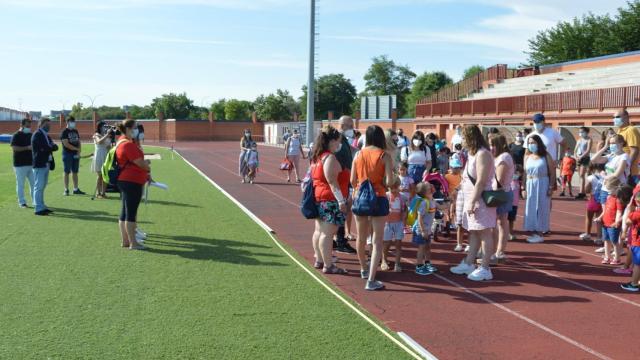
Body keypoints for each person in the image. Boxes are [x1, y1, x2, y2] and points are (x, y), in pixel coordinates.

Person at [450, 125, 497, 281]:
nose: (462, 140)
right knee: (474, 231)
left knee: (484, 232)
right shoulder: (472, 154)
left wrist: (472, 201)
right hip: (472, 197)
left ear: (471, 137)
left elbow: (482, 181)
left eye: (464, 137)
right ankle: (469, 263)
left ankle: (485, 267)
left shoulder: (483, 154)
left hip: (480, 199)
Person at [351, 125, 394, 291]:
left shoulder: (358, 154)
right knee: (377, 240)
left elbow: (352, 180)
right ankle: (371, 279)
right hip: (379, 197)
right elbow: (390, 182)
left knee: (361, 238)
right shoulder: (384, 155)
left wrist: (361, 186)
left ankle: (363, 269)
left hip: (361, 197)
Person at [310, 126, 349, 275]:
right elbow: (332, 181)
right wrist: (341, 201)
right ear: (332, 141)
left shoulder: (317, 156)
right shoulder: (329, 158)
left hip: (320, 197)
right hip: (330, 199)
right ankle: (328, 264)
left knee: (319, 231)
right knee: (327, 233)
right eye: (338, 141)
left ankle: (320, 260)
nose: (339, 144)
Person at [115, 119, 151, 250]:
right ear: (129, 129)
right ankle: (133, 243)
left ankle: (126, 241)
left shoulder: (122, 141)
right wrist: (147, 167)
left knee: (125, 212)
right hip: (131, 181)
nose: (137, 130)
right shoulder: (128, 145)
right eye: (135, 128)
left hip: (126, 180)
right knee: (130, 213)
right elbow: (139, 163)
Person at [522, 135, 555, 243]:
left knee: (541, 207)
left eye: (533, 143)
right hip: (530, 183)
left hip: (542, 182)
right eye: (529, 143)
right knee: (531, 207)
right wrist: (523, 187)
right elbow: (524, 173)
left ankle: (540, 232)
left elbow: (552, 172)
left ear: (538, 143)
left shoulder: (546, 156)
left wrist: (551, 186)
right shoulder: (527, 156)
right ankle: (534, 232)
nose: (531, 145)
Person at [333, 115, 358, 255]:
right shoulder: (337, 140)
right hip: (339, 180)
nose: (352, 129)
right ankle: (339, 240)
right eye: (350, 126)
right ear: (342, 126)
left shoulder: (344, 140)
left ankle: (339, 240)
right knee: (339, 211)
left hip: (344, 180)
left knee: (342, 211)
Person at [489, 134, 515, 261]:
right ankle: (495, 250)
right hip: (499, 192)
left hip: (501, 193)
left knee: (500, 222)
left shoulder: (504, 157)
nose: (490, 148)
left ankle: (499, 251)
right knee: (497, 222)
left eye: (493, 145)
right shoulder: (497, 157)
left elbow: (499, 180)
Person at [594, 178, 631, 265]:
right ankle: (607, 257)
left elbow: (619, 211)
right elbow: (605, 210)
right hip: (605, 223)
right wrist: (599, 217)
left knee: (614, 242)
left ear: (615, 189)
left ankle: (617, 258)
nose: (608, 191)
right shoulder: (609, 197)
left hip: (612, 224)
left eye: (609, 189)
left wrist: (617, 221)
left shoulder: (618, 200)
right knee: (606, 241)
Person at [31, 117, 58, 216]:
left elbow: (53, 146)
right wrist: (51, 147)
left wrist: (51, 147)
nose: (49, 126)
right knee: (38, 186)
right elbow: (46, 147)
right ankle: (38, 208)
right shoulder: (37, 134)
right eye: (47, 124)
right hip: (39, 163)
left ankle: (42, 205)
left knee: (43, 185)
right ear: (42, 124)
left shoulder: (46, 135)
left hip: (46, 163)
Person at [409, 182, 437, 275]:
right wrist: (423, 231)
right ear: (426, 192)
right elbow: (420, 217)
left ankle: (427, 263)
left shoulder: (432, 200)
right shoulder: (424, 203)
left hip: (428, 230)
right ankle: (419, 266)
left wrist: (450, 202)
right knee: (422, 247)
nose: (433, 187)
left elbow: (441, 207)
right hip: (422, 230)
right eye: (430, 188)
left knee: (428, 247)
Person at [382, 176, 405, 273]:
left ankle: (397, 263)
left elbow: (404, 210)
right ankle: (384, 260)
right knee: (386, 243)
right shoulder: (386, 196)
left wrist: (403, 221)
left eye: (396, 187)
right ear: (388, 187)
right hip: (387, 223)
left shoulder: (402, 197)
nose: (394, 190)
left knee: (398, 243)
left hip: (398, 223)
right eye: (392, 188)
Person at [11, 118, 34, 208]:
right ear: (22, 125)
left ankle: (35, 201)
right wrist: (27, 147)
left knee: (33, 184)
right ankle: (22, 202)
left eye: (30, 125)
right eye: (27, 125)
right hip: (19, 164)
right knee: (20, 184)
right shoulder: (16, 135)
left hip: (31, 163)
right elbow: (14, 148)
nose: (29, 127)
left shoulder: (31, 135)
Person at [579, 163, 606, 243]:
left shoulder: (590, 177)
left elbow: (586, 190)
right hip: (601, 199)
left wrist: (588, 190)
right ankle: (599, 237)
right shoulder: (604, 177)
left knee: (588, 217)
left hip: (593, 198)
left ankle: (587, 234)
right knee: (599, 219)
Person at [60, 116, 85, 195]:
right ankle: (66, 190)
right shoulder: (64, 132)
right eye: (72, 122)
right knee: (66, 172)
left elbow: (79, 141)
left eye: (74, 121)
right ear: (67, 122)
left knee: (75, 172)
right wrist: (76, 149)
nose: (73, 123)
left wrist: (79, 151)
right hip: (67, 154)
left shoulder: (75, 131)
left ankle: (75, 189)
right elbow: (66, 144)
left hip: (75, 154)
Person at [614, 109, 640, 185]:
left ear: (626, 118)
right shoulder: (620, 130)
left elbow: (634, 151)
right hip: (621, 169)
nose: (615, 119)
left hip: (630, 172)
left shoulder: (631, 130)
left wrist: (627, 166)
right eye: (614, 117)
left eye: (617, 117)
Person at [621, 191, 640, 292]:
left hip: (638, 242)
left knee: (637, 265)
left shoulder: (636, 214)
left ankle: (634, 284)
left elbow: (628, 221)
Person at [91, 121, 113, 199]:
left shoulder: (106, 135)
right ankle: (98, 192)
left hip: (106, 155)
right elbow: (99, 142)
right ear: (99, 127)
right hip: (99, 155)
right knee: (100, 175)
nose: (105, 128)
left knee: (105, 175)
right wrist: (107, 135)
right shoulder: (96, 135)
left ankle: (103, 193)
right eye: (104, 126)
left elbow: (108, 146)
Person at [445, 157, 463, 244]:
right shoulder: (447, 176)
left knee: (455, 210)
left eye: (458, 168)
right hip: (450, 196)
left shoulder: (461, 176)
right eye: (455, 167)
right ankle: (449, 222)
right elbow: (444, 186)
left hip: (459, 196)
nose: (456, 169)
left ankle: (454, 222)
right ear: (451, 167)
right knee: (450, 210)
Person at [574, 126, 592, 199]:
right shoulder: (579, 140)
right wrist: (576, 157)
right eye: (580, 132)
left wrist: (581, 157)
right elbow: (575, 150)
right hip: (578, 158)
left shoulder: (589, 140)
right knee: (580, 176)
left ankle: (582, 192)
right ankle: (582, 192)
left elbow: (588, 150)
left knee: (582, 174)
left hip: (585, 158)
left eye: (582, 132)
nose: (580, 133)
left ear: (586, 132)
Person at [508, 165, 524, 241]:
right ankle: (506, 233)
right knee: (505, 219)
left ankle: (510, 233)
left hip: (515, 204)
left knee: (511, 220)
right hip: (508, 203)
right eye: (516, 172)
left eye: (519, 173)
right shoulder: (508, 181)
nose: (517, 174)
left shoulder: (518, 182)